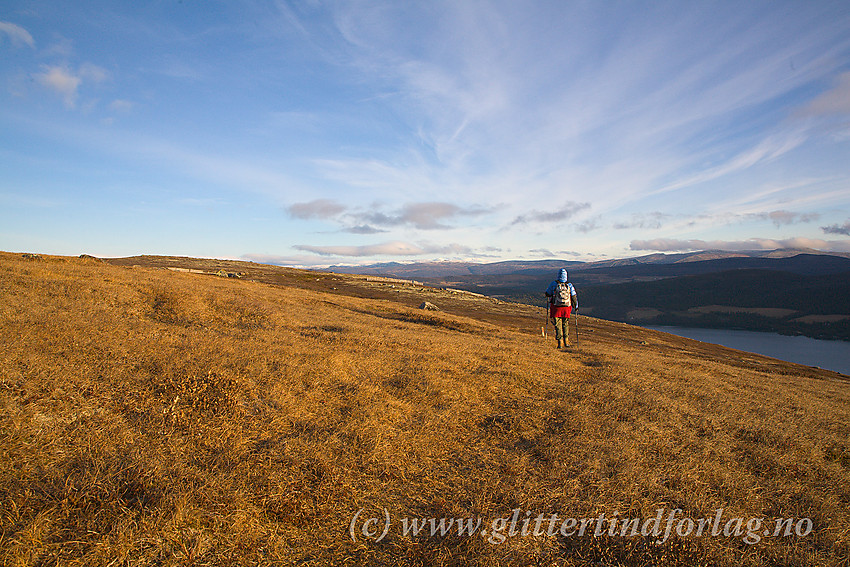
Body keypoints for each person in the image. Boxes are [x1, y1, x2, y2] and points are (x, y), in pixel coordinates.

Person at [545, 268, 578, 349]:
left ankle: (560, 342)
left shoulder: (554, 284)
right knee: (565, 324)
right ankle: (566, 341)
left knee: (558, 325)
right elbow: (573, 296)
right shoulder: (569, 285)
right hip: (566, 308)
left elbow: (547, 293)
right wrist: (575, 306)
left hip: (556, 307)